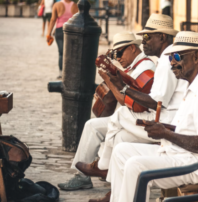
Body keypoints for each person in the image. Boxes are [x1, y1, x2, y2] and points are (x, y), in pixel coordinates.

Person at [104, 31, 198, 202]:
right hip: (185, 154)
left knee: (135, 166)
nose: (172, 62)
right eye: (171, 57)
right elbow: (190, 129)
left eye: (178, 56)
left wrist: (166, 134)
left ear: (196, 57)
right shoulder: (194, 84)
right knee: (121, 151)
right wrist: (164, 129)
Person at [80, 13, 189, 202]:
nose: (143, 42)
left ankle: (103, 165)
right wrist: (124, 86)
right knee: (120, 139)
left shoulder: (166, 61)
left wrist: (122, 88)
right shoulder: (165, 58)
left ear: (162, 37)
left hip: (167, 123)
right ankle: (115, 194)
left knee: (121, 114)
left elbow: (155, 102)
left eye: (148, 37)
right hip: (167, 116)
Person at [57, 32, 156, 191]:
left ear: (132, 48)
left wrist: (109, 80)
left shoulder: (145, 68)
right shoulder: (134, 67)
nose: (117, 58)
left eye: (119, 53)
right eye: (114, 55)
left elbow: (129, 102)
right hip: (130, 117)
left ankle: (102, 171)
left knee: (102, 129)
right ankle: (85, 174)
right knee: (92, 125)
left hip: (140, 119)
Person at [46, 0, 78, 79]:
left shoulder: (57, 5)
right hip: (72, 30)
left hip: (60, 30)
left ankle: (61, 73)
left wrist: (49, 33)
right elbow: (77, 20)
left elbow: (53, 19)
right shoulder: (75, 5)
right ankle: (70, 72)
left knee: (61, 53)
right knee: (71, 53)